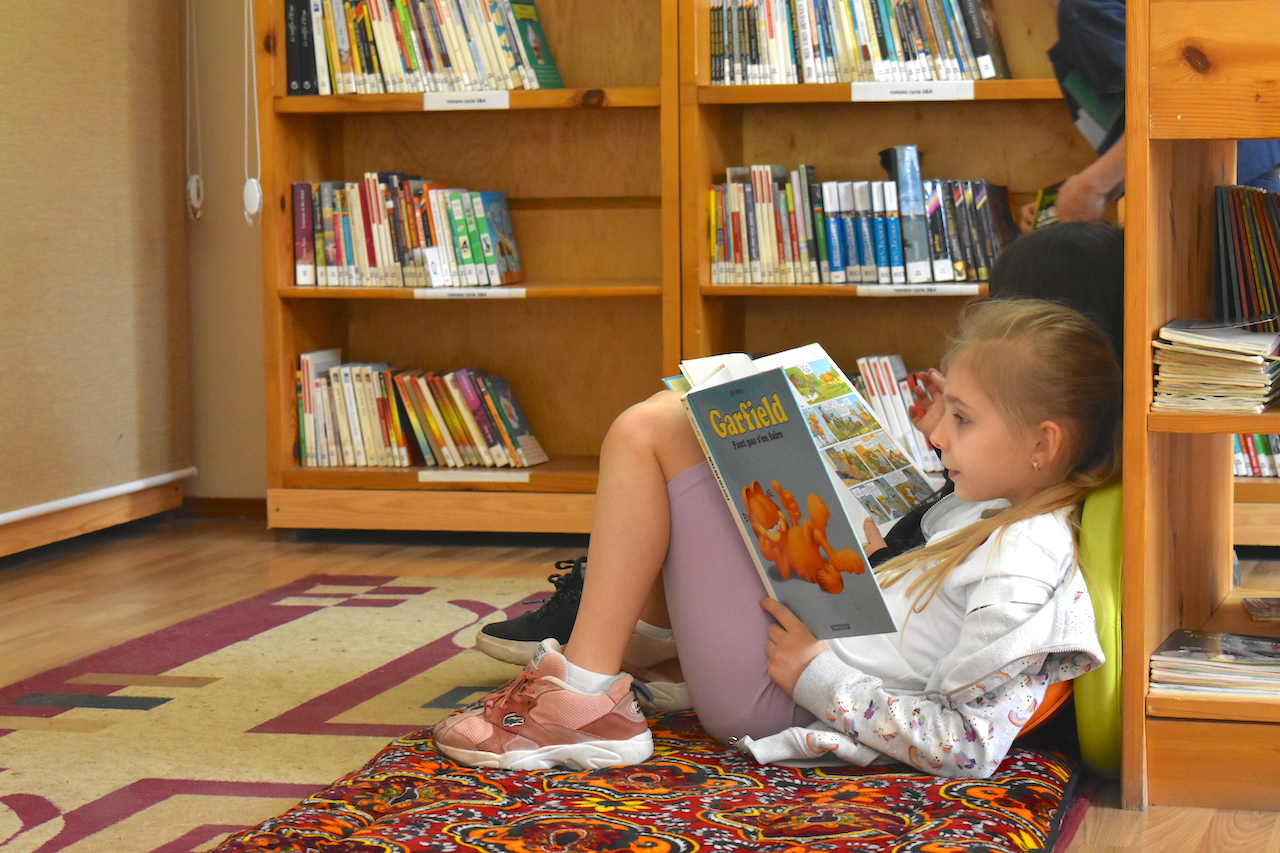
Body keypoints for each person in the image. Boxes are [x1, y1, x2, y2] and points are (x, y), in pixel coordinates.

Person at [432, 298, 1119, 779]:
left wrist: (821, 678)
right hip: (803, 637)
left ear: (1042, 442)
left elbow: (968, 745)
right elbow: (914, 608)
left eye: (962, 418)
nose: (938, 434)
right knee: (710, 421)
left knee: (652, 432)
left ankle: (580, 697)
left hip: (779, 691)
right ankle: (624, 650)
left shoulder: (1026, 565)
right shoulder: (1001, 504)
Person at [478, 220, 1127, 647]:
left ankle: (594, 665)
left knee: (659, 426)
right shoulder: (1055, 467)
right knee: (692, 425)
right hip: (867, 583)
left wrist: (873, 556)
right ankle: (623, 629)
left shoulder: (1033, 530)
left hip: (831, 641)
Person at [1023, 0, 1280, 229]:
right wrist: (1080, 195)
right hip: (1236, 180)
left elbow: (1171, 106)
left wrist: (1093, 184)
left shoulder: (1082, 11)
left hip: (1225, 193)